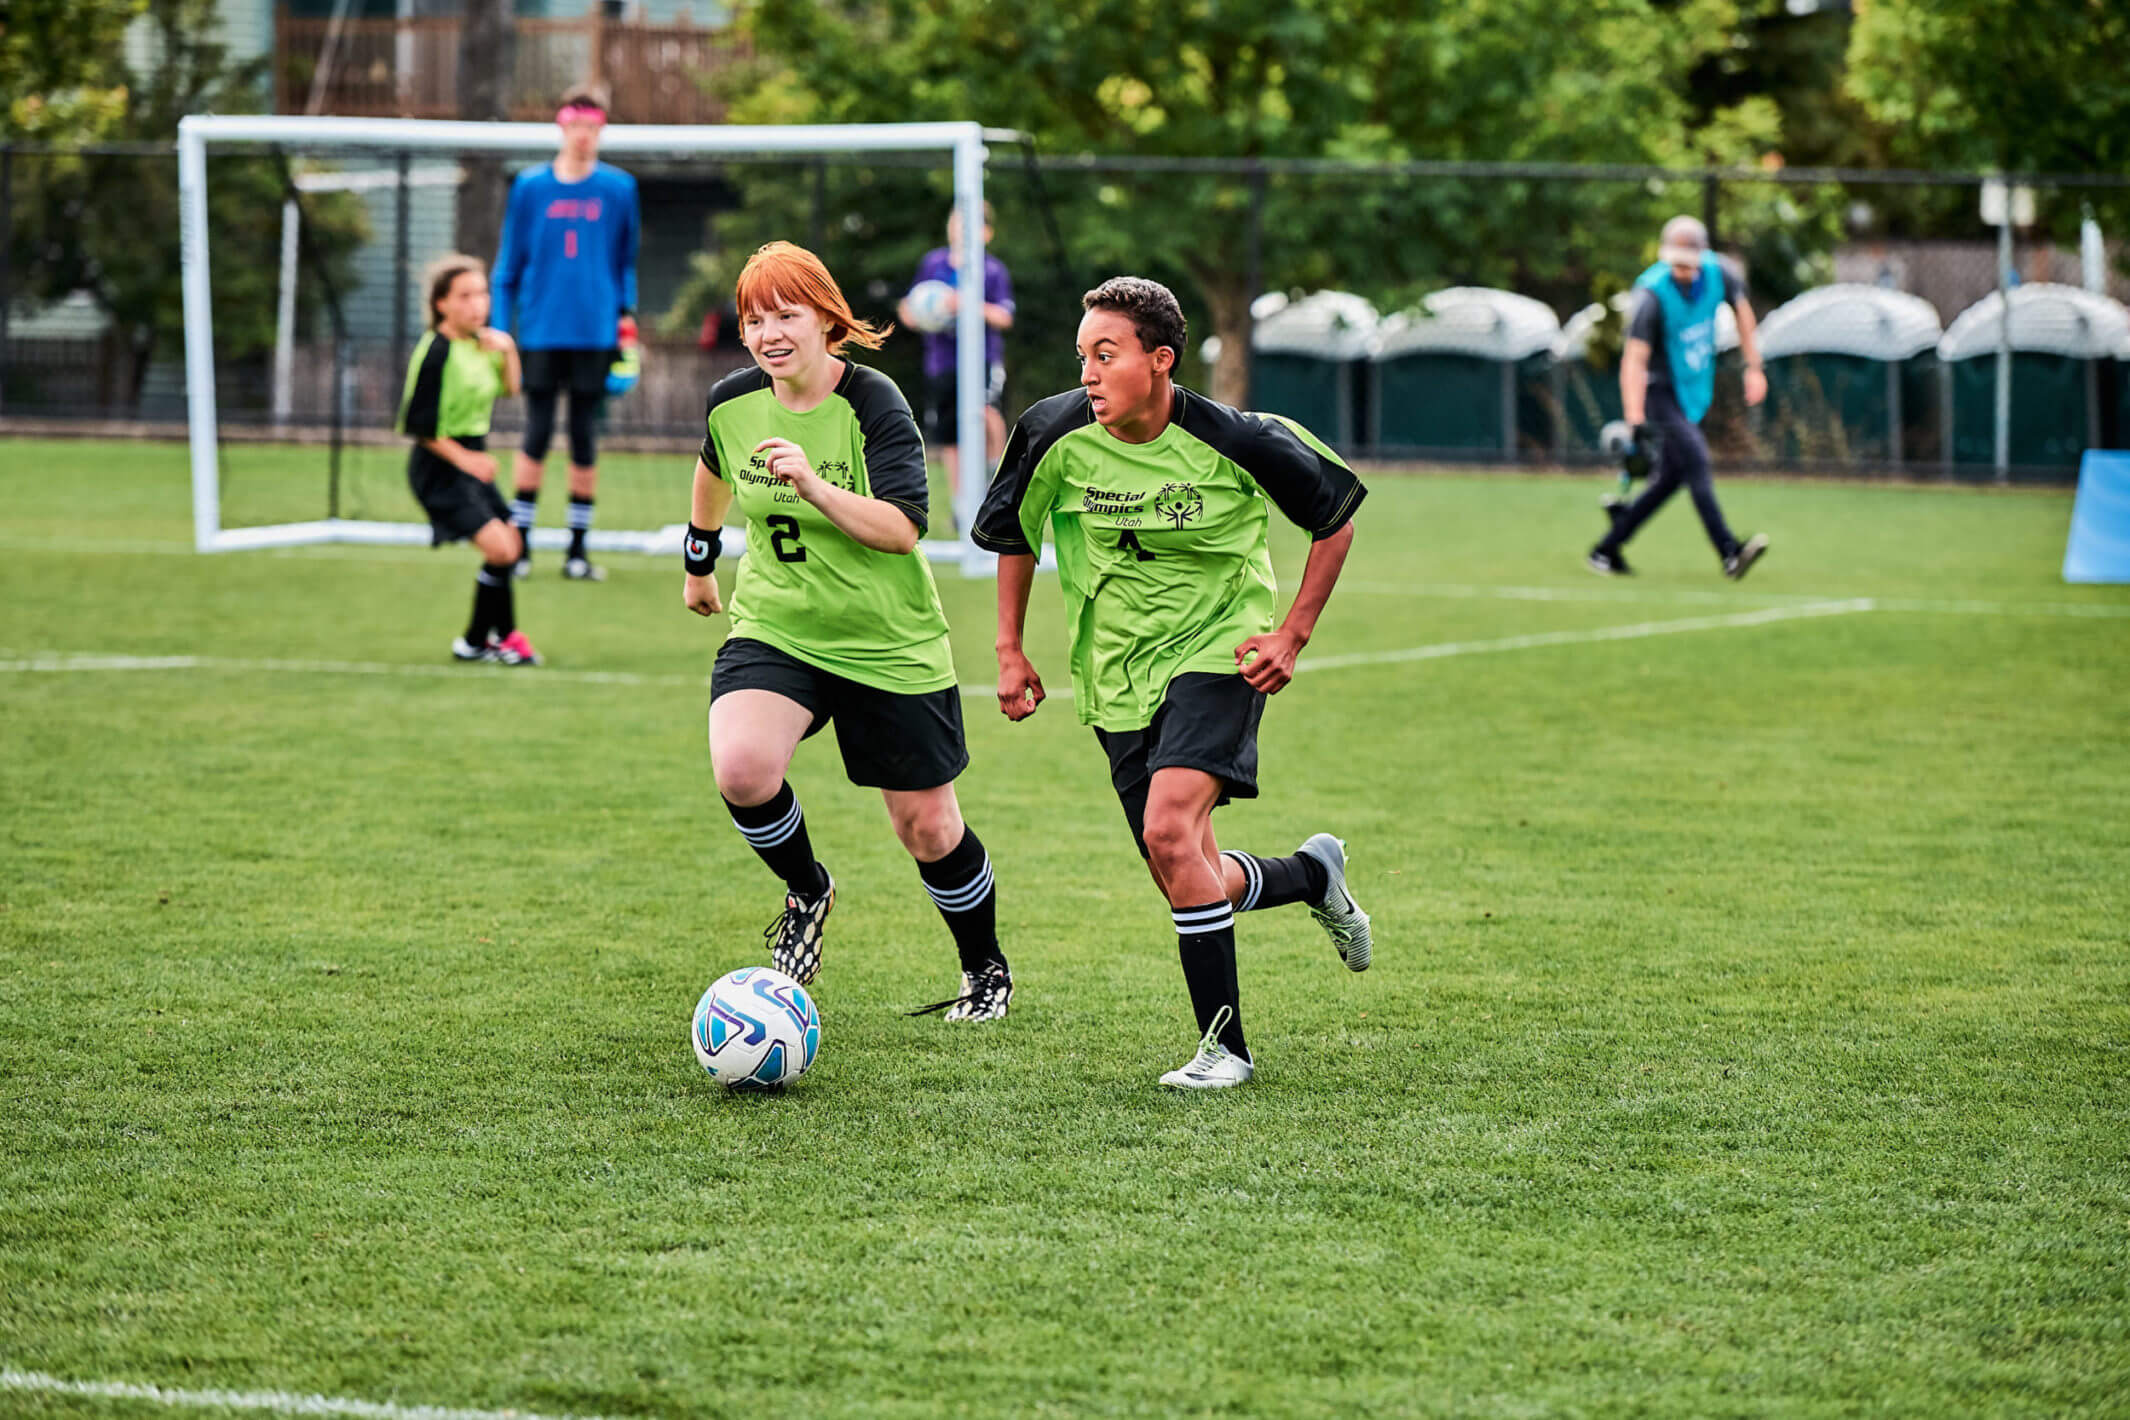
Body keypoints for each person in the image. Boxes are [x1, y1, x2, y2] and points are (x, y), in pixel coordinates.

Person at [974, 276, 1373, 1089]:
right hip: (1115, 668)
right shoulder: (1051, 431)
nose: (1087, 372)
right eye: (1082, 355)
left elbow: (1334, 520)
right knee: (1184, 865)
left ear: (1160, 361)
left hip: (1219, 651)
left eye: (1106, 354)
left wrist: (1290, 635)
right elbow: (1015, 533)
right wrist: (1010, 648)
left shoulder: (1240, 437)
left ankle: (1225, 1050)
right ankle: (1309, 875)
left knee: (1167, 832)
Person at [683, 241, 1011, 1021]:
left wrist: (811, 482)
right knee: (743, 768)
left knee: (927, 827)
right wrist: (699, 560)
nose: (768, 333)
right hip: (778, 624)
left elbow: (901, 528)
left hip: (887, 640)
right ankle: (807, 889)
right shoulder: (733, 401)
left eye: (785, 315)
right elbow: (713, 467)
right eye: (753, 319)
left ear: (827, 320)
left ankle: (984, 969)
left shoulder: (873, 403)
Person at [491, 81, 640, 583]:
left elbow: (625, 264)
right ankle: (521, 545)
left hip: (596, 334)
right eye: (577, 125)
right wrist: (498, 330)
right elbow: (508, 266)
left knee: (583, 437)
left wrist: (627, 320)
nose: (585, 135)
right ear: (562, 124)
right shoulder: (530, 187)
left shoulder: (619, 188)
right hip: (539, 330)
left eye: (594, 127)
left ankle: (577, 551)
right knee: (534, 432)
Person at [1588, 215, 1770, 580]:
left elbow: (1744, 314)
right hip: (1661, 392)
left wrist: (1754, 367)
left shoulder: (1720, 273)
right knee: (1698, 462)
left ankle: (1607, 548)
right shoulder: (1650, 296)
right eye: (1676, 264)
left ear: (1703, 256)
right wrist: (1635, 417)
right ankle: (1729, 552)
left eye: (1689, 264)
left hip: (1694, 391)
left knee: (1669, 480)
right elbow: (1634, 360)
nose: (1682, 271)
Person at [395, 254, 541, 667]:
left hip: (470, 460)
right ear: (442, 303)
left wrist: (509, 349)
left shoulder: (483, 344)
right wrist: (469, 462)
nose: (477, 304)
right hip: (438, 466)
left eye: (481, 294)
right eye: (465, 296)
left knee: (511, 544)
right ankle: (506, 638)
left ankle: (477, 642)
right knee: (500, 549)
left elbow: (511, 390)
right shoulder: (435, 352)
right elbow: (419, 427)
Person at [897, 202, 1014, 508]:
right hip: (942, 361)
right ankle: (961, 503)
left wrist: (965, 303)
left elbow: (1004, 316)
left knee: (986, 410)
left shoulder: (992, 269)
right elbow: (909, 306)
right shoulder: (933, 263)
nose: (959, 228)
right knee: (950, 432)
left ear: (986, 233)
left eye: (969, 223)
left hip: (982, 358)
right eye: (955, 221)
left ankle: (995, 475)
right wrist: (915, 312)